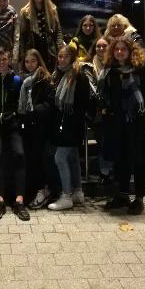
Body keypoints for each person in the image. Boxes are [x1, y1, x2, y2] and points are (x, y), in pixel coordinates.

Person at [98, 37, 145, 215]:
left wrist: (141, 113)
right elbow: (104, 95)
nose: (119, 52)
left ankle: (139, 199)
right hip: (117, 124)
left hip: (136, 125)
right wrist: (105, 110)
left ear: (131, 51)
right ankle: (122, 196)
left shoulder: (141, 71)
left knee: (139, 161)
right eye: (117, 49)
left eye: (123, 49)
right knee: (120, 160)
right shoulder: (109, 72)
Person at [0, 47, 29, 221]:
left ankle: (19, 201)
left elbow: (22, 103)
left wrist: (16, 117)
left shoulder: (17, 80)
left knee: (19, 153)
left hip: (13, 123)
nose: (2, 62)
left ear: (9, 60)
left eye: (4, 59)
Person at [48, 45, 92, 211]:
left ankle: (66, 195)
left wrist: (72, 122)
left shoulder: (79, 75)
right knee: (72, 157)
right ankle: (78, 192)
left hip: (72, 125)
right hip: (63, 123)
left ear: (72, 57)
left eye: (66, 56)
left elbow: (83, 103)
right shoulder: (58, 74)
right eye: (60, 56)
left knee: (60, 158)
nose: (62, 59)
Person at [18, 49, 57, 209]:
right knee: (32, 160)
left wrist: (33, 111)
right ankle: (38, 190)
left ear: (39, 61)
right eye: (27, 61)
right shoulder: (24, 80)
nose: (30, 64)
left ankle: (44, 191)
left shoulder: (45, 79)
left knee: (39, 160)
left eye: (33, 61)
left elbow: (50, 104)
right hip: (29, 126)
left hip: (42, 126)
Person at [15, 0, 64, 72]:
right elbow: (22, 35)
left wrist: (60, 46)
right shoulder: (25, 12)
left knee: (50, 74)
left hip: (49, 49)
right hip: (33, 47)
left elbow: (58, 31)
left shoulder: (52, 10)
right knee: (34, 74)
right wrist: (22, 54)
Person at [87, 37, 113, 190]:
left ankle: (112, 170)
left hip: (113, 111)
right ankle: (105, 172)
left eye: (104, 46)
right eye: (98, 46)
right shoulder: (89, 66)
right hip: (97, 113)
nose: (101, 49)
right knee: (103, 140)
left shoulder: (114, 64)